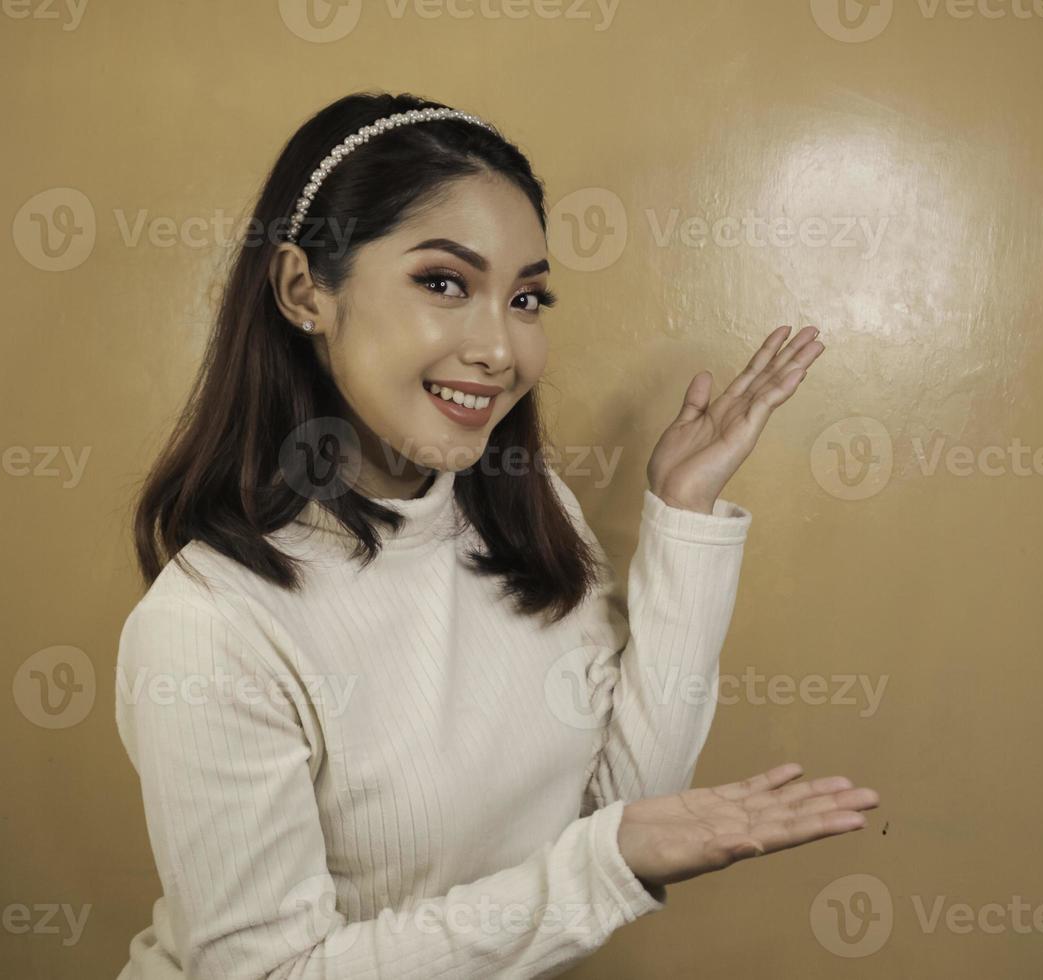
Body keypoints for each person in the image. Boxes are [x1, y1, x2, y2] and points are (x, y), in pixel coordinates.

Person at [114, 90, 880, 979]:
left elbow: (624, 810)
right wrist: (603, 868)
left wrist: (684, 510)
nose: (501, 348)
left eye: (527, 298)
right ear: (302, 291)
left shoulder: (521, 509)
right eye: (443, 282)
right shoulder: (212, 626)